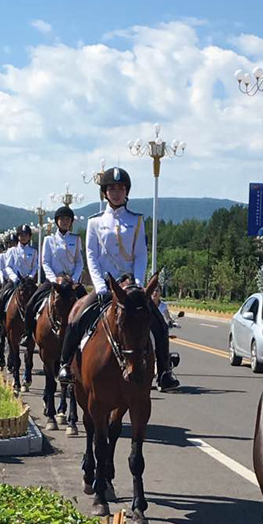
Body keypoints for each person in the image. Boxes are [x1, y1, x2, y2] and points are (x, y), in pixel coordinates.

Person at [57, 167, 179, 391]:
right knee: (77, 317)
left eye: (120, 188)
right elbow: (91, 256)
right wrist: (100, 286)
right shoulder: (95, 222)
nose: (116, 192)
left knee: (159, 324)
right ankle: (65, 364)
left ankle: (164, 372)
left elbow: (141, 255)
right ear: (104, 192)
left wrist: (139, 285)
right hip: (105, 285)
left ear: (126, 192)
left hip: (131, 285)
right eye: (111, 188)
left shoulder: (137, 220)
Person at [23, 206, 87, 337]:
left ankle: (85, 334)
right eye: (62, 219)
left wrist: (74, 278)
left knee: (87, 306)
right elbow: (45, 262)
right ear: (57, 221)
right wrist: (53, 279)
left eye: (68, 219)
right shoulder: (49, 240)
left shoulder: (75, 239)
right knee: (31, 304)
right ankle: (28, 334)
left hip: (71, 281)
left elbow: (79, 262)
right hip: (53, 280)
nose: (65, 221)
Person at [0, 226, 40, 326]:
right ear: (18, 237)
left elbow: (35, 266)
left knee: (39, 298)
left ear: (30, 237)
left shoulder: (33, 252)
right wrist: (15, 278)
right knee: (1, 298)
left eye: (26, 235)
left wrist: (31, 277)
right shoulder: (12, 251)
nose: (23, 237)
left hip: (28, 282)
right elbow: (8, 267)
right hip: (15, 281)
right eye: (21, 235)